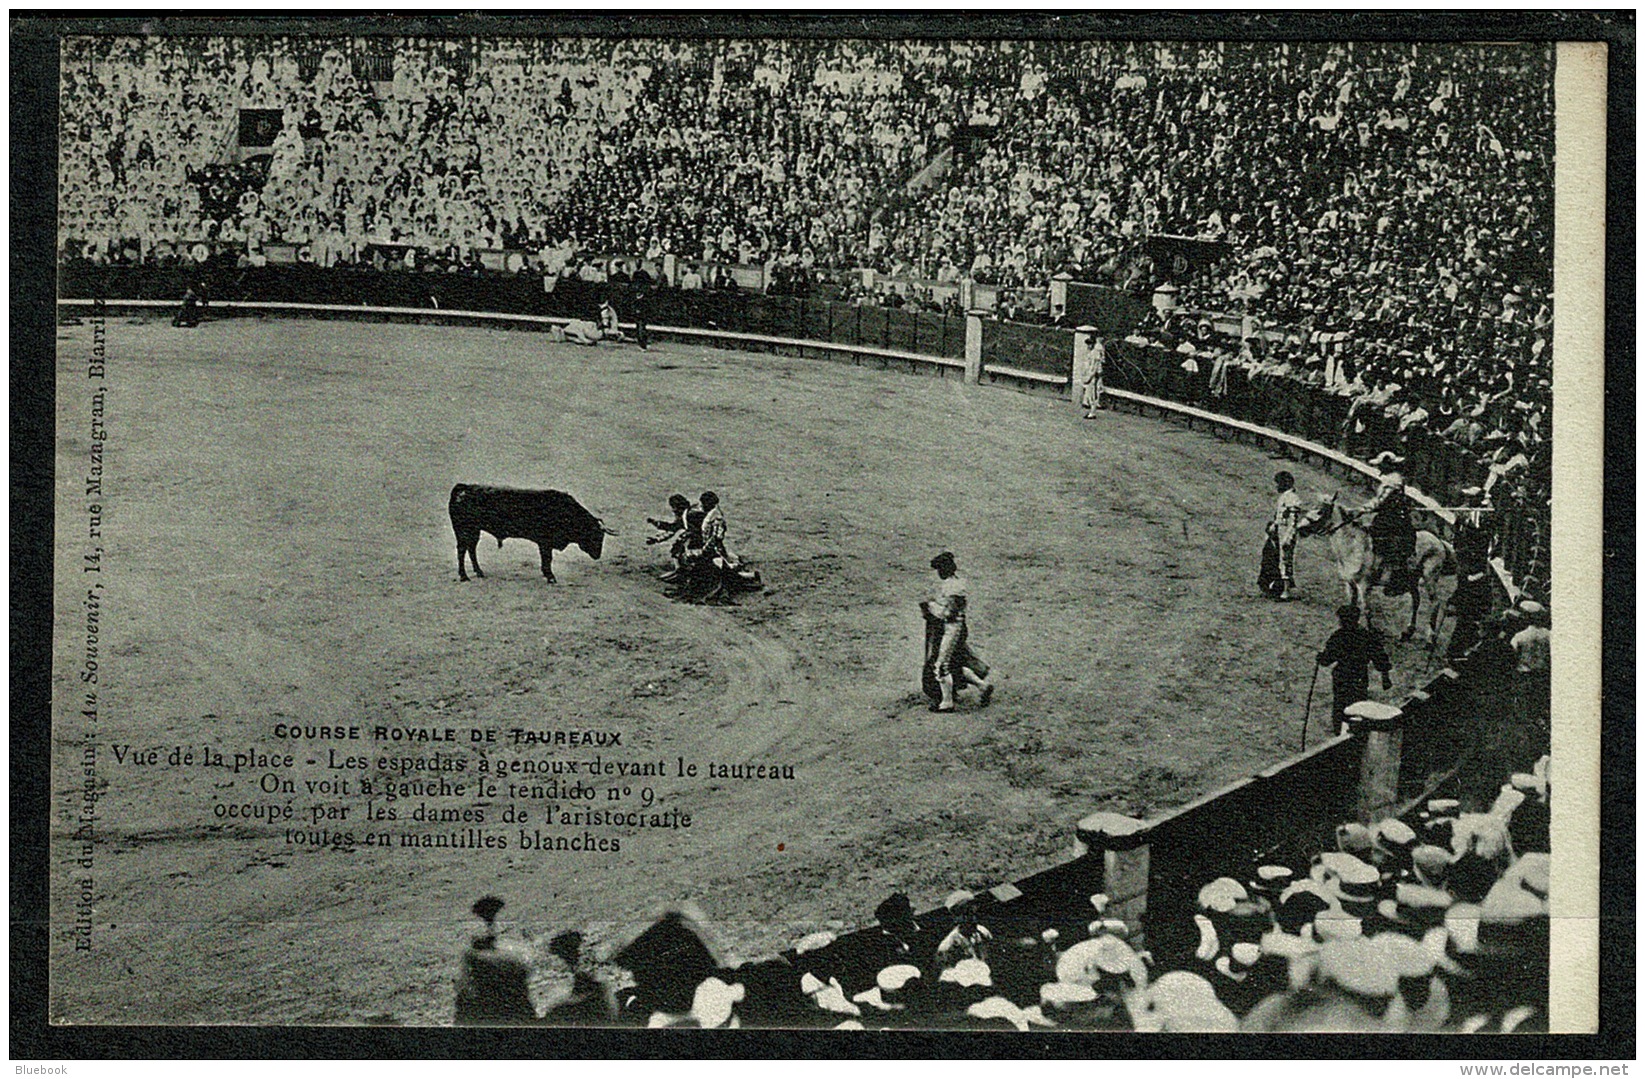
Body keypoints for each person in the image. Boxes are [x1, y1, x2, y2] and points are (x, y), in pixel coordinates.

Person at [920, 551, 994, 713]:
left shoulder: (953, 587)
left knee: (941, 665)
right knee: (955, 663)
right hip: (954, 628)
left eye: (940, 569)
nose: (938, 572)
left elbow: (949, 614)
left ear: (945, 569)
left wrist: (931, 608)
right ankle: (982, 686)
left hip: (952, 629)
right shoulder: (955, 582)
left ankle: (947, 702)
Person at [1316, 605, 1393, 734]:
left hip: (1342, 677)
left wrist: (1320, 657)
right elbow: (1380, 659)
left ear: (1342, 620)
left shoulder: (1338, 637)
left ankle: (1339, 734)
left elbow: (1326, 660)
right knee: (1358, 706)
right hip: (1360, 677)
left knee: (1340, 707)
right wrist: (1385, 678)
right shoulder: (1366, 636)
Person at [1362, 471, 1417, 594]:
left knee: (1392, 547)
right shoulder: (1390, 482)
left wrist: (1367, 508)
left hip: (1393, 521)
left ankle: (1394, 579)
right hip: (1386, 518)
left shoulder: (1392, 483)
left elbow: (1380, 501)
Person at [1269, 471, 1304, 601]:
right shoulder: (1285, 496)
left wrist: (1288, 536)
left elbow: (1293, 521)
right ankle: (1280, 586)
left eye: (1278, 484)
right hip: (1281, 530)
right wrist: (1275, 525)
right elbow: (1280, 516)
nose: (1276, 486)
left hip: (1287, 531)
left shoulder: (1292, 498)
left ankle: (1286, 591)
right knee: (1280, 558)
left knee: (1285, 560)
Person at [1078, 335, 1106, 418]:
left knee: (1092, 395)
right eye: (1088, 344)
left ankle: (1092, 413)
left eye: (1090, 344)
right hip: (1091, 374)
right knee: (1090, 394)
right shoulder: (1091, 352)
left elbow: (1095, 366)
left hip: (1093, 375)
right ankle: (1091, 412)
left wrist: (1089, 377)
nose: (1088, 346)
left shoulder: (1095, 353)